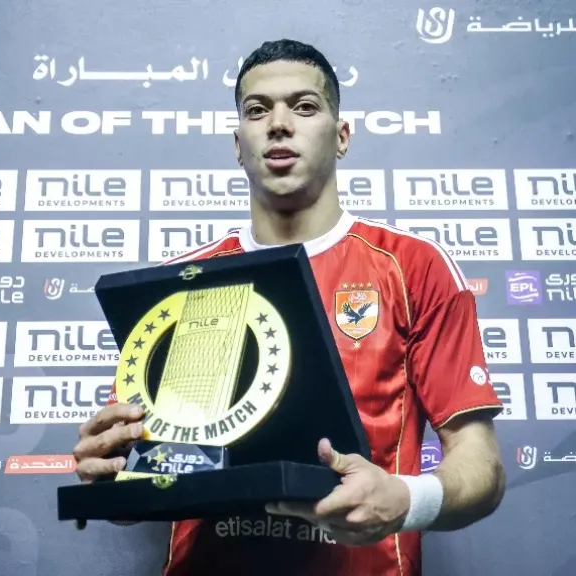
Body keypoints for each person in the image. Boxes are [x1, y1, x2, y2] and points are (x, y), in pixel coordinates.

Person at [72, 39, 506, 576]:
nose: (279, 124)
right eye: (258, 110)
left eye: (304, 106)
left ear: (341, 136)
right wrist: (110, 473)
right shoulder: (182, 282)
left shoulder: (413, 266)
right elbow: (141, 478)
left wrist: (406, 500)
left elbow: (481, 465)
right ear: (239, 144)